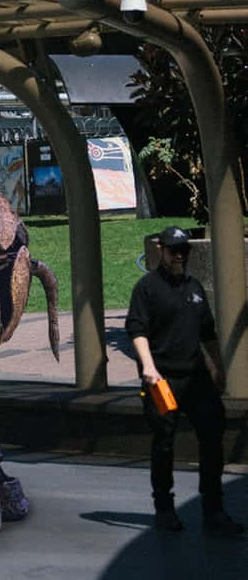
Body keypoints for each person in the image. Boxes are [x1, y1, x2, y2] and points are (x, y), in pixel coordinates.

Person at [125, 226, 242, 537]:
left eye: (184, 251)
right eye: (174, 250)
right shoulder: (147, 288)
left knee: (213, 434)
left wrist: (218, 368)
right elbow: (137, 329)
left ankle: (214, 509)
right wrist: (148, 368)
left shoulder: (194, 287)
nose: (180, 256)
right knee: (164, 442)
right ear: (160, 250)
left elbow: (208, 332)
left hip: (196, 378)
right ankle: (164, 507)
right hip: (162, 379)